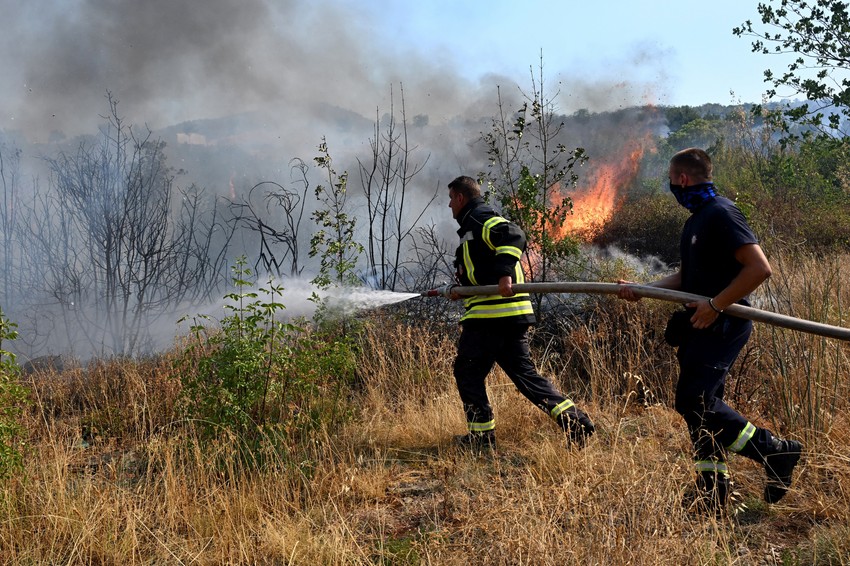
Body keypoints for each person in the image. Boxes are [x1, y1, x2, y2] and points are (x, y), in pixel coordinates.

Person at [617, 148, 803, 513]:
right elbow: (688, 278)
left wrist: (716, 305)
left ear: (682, 178)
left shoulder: (721, 213)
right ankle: (712, 492)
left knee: (693, 401)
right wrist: (644, 289)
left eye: (671, 178)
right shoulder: (697, 220)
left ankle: (776, 451)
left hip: (722, 324)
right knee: (700, 410)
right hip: (699, 326)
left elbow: (759, 269)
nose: (671, 185)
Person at [446, 175, 595, 452]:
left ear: (460, 198)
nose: (449, 207)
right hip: (505, 317)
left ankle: (481, 440)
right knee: (526, 378)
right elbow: (479, 273)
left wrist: (504, 274)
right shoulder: (470, 230)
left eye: (450, 200)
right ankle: (577, 424)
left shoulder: (479, 218)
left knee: (467, 372)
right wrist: (461, 288)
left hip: (492, 318)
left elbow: (514, 233)